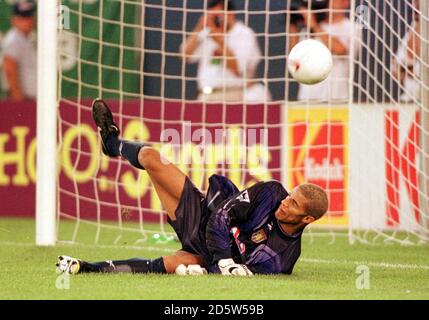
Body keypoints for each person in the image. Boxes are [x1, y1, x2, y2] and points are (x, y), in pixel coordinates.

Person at [56, 98, 328, 276]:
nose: (285, 202)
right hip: (205, 220)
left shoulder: (284, 258)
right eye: (290, 196)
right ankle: (112, 144)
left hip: (205, 255)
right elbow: (221, 218)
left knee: (170, 264)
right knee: (152, 157)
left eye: (293, 204)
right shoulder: (271, 192)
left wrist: (216, 264)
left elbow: (244, 274)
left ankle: (87, 268)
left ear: (306, 219)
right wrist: (224, 259)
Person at [181, 0, 263, 102]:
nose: (217, 19)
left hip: (232, 95)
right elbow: (185, 56)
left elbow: (237, 69)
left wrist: (220, 41)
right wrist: (199, 27)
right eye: (213, 16)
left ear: (231, 14)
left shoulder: (244, 34)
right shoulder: (207, 33)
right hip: (204, 96)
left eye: (219, 15)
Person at [292, 0, 361, 102]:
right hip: (306, 98)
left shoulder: (352, 27)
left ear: (346, 2)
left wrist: (315, 26)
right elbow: (295, 59)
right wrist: (293, 27)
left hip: (337, 98)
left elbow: (341, 50)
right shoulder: (308, 29)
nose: (330, 2)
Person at [1, 1, 37, 101]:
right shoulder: (14, 39)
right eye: (23, 17)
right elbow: (9, 69)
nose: (27, 21)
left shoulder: (25, 38)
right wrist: (19, 99)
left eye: (29, 16)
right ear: (14, 20)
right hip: (21, 98)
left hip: (29, 98)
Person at [392, 0, 420, 103]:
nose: (416, 4)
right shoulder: (414, 26)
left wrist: (408, 70)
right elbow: (396, 72)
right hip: (409, 102)